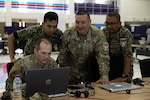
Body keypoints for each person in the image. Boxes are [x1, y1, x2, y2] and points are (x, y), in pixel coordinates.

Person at [57, 10, 110, 84]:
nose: (80, 26)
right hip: (72, 75)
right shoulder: (68, 34)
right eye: (77, 22)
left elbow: (103, 57)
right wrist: (65, 74)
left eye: (83, 22)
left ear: (89, 22)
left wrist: (104, 77)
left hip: (90, 75)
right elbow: (63, 57)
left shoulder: (98, 35)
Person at [103, 12, 133, 82]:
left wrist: (124, 75)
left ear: (119, 24)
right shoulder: (104, 32)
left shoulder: (124, 33)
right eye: (107, 23)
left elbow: (127, 55)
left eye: (112, 24)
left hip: (122, 67)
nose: (109, 26)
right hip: (110, 66)